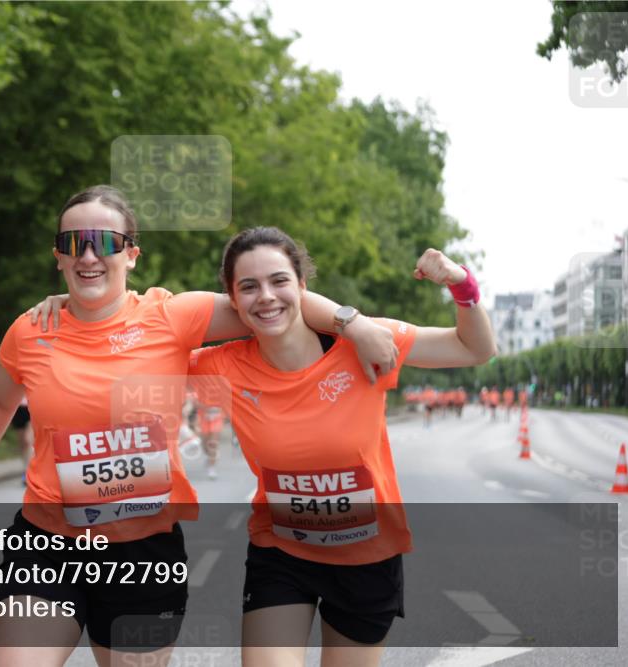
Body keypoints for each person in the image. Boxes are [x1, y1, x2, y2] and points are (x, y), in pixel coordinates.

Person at [0, 185, 399, 667]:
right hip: (48, 545)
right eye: (73, 243)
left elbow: (272, 299)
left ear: (131, 254)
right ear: (59, 256)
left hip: (144, 555)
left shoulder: (172, 316)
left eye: (105, 242)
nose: (88, 255)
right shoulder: (31, 330)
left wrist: (352, 323)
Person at [185, 227, 495, 667]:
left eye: (279, 281)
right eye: (248, 287)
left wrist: (460, 284)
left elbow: (474, 348)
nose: (266, 296)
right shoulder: (221, 366)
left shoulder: (366, 345)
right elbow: (141, 346)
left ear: (303, 285)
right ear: (232, 301)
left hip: (367, 557)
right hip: (282, 552)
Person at [11, 396, 33, 484]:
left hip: (31, 405)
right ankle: (26, 469)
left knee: (27, 440)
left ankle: (30, 472)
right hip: (17, 407)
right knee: (22, 444)